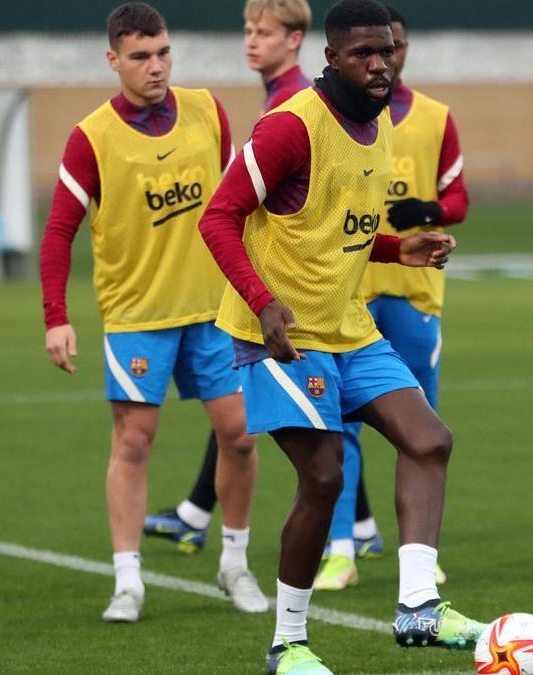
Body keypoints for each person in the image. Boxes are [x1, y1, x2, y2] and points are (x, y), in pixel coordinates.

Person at [198, 1, 487, 671]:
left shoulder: (377, 120)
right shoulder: (290, 126)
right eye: (362, 53)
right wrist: (264, 304)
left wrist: (397, 250)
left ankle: (418, 606)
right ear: (330, 60)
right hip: (280, 336)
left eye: (386, 50)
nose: (379, 62)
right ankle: (288, 643)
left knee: (429, 439)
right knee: (323, 477)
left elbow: (336, 228)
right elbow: (218, 217)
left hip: (348, 327)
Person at [39, 2, 268, 623]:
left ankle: (234, 563)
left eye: (163, 52)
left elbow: (238, 204)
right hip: (137, 315)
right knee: (135, 443)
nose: (156, 66)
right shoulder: (91, 136)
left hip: (213, 311)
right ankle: (128, 581)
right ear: (113, 59)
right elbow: (59, 231)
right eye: (140, 56)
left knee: (242, 436)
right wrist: (56, 315)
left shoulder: (206, 111)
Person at [143, 0, 314, 555]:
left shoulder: (293, 105)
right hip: (278, 282)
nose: (250, 41)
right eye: (247, 30)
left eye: (263, 32)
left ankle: (339, 544)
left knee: (302, 428)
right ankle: (196, 511)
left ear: (295, 39)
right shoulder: (279, 98)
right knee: (238, 415)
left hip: (285, 290)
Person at [314, 3, 468, 592]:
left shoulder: (435, 117)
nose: (386, 59)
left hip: (413, 291)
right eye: (375, 49)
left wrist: (426, 212)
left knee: (420, 426)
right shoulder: (336, 119)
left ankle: (420, 561)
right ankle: (340, 550)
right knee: (340, 426)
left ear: (404, 49)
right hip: (351, 290)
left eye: (395, 47)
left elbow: (459, 201)